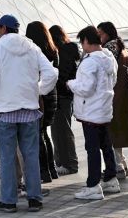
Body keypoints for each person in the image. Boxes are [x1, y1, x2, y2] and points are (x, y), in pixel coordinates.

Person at [0, 15, 59, 213]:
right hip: (29, 110)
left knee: (7, 158)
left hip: (5, 110)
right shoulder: (32, 48)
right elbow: (51, 74)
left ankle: (9, 201)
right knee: (31, 156)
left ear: (3, 28)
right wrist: (38, 90)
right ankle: (34, 199)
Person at [69, 25, 119, 200]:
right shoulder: (109, 57)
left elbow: (86, 88)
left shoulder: (90, 62)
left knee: (92, 149)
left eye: (82, 43)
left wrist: (71, 83)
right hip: (104, 108)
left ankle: (93, 186)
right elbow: (113, 82)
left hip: (90, 110)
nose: (82, 47)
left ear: (86, 40)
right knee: (106, 145)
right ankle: (111, 179)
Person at [96, 22, 128, 178]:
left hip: (114, 94)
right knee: (117, 130)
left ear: (107, 33)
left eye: (100, 33)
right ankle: (121, 165)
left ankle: (117, 167)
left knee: (112, 131)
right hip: (121, 93)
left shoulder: (109, 48)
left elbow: (105, 71)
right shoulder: (120, 45)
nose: (98, 36)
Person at [26, 21, 60, 183]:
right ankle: (51, 169)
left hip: (40, 96)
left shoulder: (35, 52)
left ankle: (44, 172)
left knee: (38, 135)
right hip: (52, 94)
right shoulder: (53, 50)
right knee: (44, 133)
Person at [50, 24, 80, 176]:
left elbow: (61, 74)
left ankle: (68, 163)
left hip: (60, 94)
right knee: (61, 130)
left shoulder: (60, 53)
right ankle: (63, 163)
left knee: (61, 130)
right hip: (67, 95)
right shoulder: (70, 51)